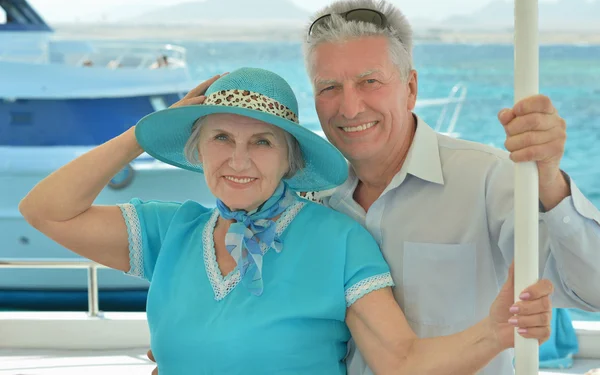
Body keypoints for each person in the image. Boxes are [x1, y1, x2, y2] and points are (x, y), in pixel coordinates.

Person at [19, 67, 553, 375]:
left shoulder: (338, 239)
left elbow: (401, 360)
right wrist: (140, 134)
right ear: (197, 149)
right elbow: (44, 210)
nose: (239, 159)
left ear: (291, 159)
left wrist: (494, 332)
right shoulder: (170, 231)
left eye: (262, 142)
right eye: (220, 138)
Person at [299, 0, 600, 375]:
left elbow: (591, 291)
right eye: (329, 87)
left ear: (410, 87)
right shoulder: (307, 196)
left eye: (369, 82)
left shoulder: (487, 178)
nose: (350, 107)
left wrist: (551, 181)